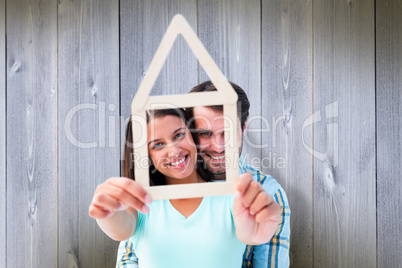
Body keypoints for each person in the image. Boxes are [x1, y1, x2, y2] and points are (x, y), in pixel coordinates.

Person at [116, 81, 291, 267]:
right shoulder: (157, 188)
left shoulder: (268, 193)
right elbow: (128, 257)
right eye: (205, 133)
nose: (218, 147)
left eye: (228, 133)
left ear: (244, 127)